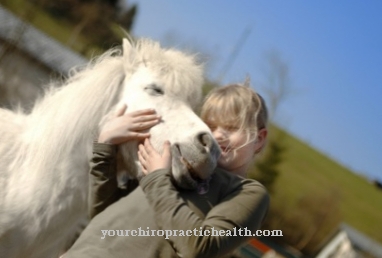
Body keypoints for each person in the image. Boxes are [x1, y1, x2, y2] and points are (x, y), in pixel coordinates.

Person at [64, 84, 270, 258]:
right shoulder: (172, 162)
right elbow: (103, 213)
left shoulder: (247, 192)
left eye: (232, 128)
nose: (218, 135)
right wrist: (105, 144)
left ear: (259, 139)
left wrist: (156, 179)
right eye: (211, 126)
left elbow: (200, 247)